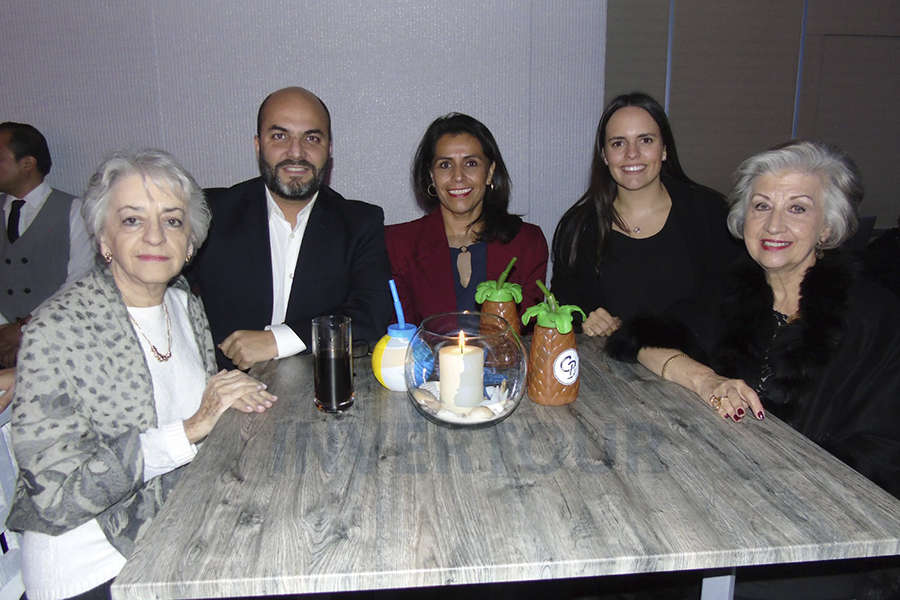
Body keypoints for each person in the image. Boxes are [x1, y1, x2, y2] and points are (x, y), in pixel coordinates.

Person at [6, 150, 276, 600]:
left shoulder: (184, 302)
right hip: (91, 566)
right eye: (132, 220)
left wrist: (230, 400)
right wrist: (190, 429)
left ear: (190, 243)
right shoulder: (58, 329)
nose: (155, 236)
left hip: (173, 530)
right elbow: (56, 495)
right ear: (103, 238)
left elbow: (196, 413)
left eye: (172, 221)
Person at [607, 140, 900, 500]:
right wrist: (706, 380)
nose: (774, 225)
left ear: (826, 227)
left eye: (797, 208)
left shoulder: (875, 317)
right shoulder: (729, 291)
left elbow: (883, 453)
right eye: (762, 206)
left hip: (821, 510)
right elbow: (642, 342)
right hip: (716, 485)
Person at [188, 87, 392, 370]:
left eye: (311, 138)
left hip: (318, 393)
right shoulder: (210, 212)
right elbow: (162, 287)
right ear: (258, 145)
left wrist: (277, 340)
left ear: (329, 149)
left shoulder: (359, 223)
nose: (296, 153)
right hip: (223, 394)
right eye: (280, 136)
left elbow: (373, 317)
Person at [551, 93, 740, 336]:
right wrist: (583, 319)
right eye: (618, 143)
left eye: (646, 140)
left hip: (700, 366)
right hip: (610, 369)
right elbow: (562, 309)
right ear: (604, 155)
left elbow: (734, 305)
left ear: (664, 149)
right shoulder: (577, 227)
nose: (632, 154)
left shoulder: (710, 213)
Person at [385, 113, 548, 324]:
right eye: (445, 165)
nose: (458, 176)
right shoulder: (397, 244)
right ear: (431, 176)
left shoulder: (527, 242)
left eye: (471, 163)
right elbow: (403, 335)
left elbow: (527, 332)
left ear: (489, 173)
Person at [0, 122, 93, 367]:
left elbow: (80, 279)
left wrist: (24, 329)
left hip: (58, 343)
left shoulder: (75, 210)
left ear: (28, 163)